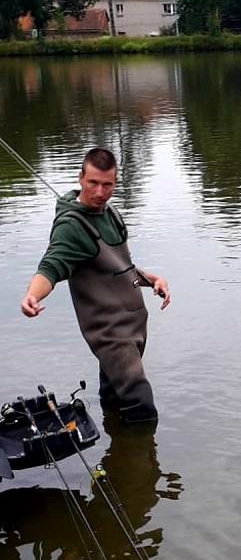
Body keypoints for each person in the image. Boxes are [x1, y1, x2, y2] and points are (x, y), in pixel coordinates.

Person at [20, 147, 170, 424]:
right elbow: (51, 267)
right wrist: (32, 295)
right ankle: (142, 462)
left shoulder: (110, 213)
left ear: (115, 182)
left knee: (113, 399)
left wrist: (152, 280)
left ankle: (116, 456)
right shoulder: (71, 228)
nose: (100, 192)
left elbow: (119, 266)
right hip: (112, 335)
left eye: (107, 184)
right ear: (81, 178)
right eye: (93, 183)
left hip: (135, 327)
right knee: (141, 406)